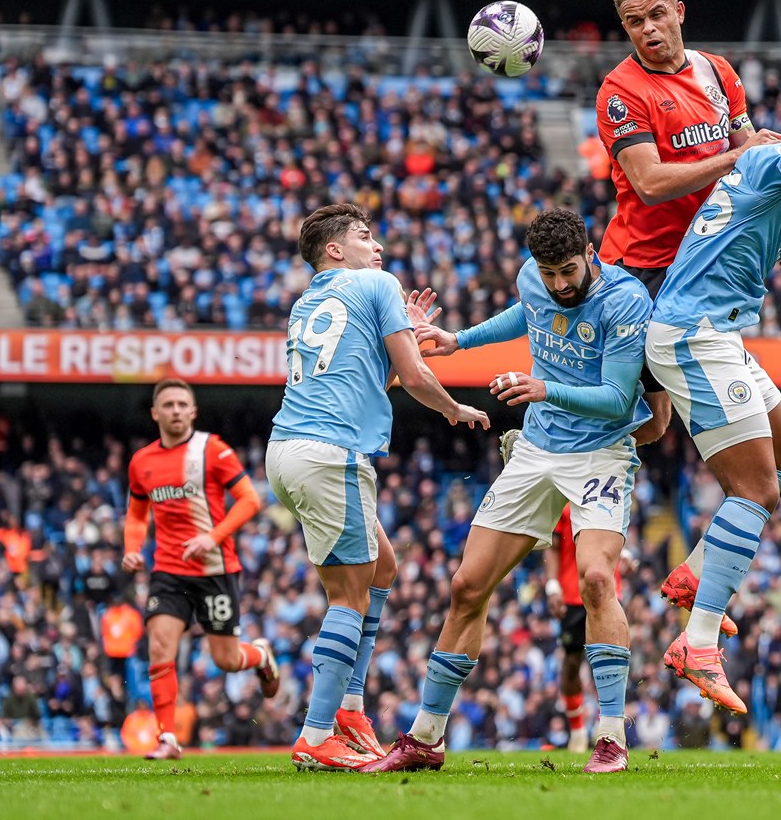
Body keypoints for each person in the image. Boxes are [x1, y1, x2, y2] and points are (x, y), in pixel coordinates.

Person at [361, 208, 650, 775]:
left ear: (590, 254)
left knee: (595, 576)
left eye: (569, 270)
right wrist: (458, 341)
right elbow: (529, 314)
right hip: (537, 451)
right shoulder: (534, 280)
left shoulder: (625, 301)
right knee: (467, 586)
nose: (560, 284)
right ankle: (426, 737)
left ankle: (611, 736)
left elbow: (619, 400)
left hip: (600, 452)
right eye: (549, 272)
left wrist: (544, 387)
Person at [598, 0, 781, 632]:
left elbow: (751, 157)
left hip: (700, 277)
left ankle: (700, 571)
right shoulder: (621, 91)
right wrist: (733, 161)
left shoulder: (720, 74)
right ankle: (540, 444)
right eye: (635, 23)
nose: (649, 30)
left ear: (679, 12)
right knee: (654, 426)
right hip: (638, 277)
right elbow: (650, 182)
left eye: (657, 15)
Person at [645, 97, 781, 712]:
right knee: (758, 492)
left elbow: (775, 209)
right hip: (697, 335)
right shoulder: (776, 158)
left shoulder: (778, 184)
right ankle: (696, 643)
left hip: (717, 334)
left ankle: (695, 570)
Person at [267, 203, 489, 771]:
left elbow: (377, 376)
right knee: (347, 597)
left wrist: (405, 336)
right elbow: (412, 376)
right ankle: (317, 737)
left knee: (382, 567)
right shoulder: (376, 283)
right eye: (366, 237)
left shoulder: (309, 300)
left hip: (288, 450)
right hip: (330, 453)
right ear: (334, 249)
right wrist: (455, 409)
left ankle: (351, 710)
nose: (379, 247)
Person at [122, 377, 278, 760]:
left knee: (225, 660)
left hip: (215, 568)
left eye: (182, 404)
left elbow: (249, 500)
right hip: (168, 571)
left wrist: (213, 536)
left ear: (193, 411)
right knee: (160, 647)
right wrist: (131, 548)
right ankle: (168, 739)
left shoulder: (213, 450)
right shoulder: (142, 461)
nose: (175, 410)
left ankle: (260, 655)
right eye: (168, 404)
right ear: (155, 412)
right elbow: (137, 513)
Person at [543, 505, 633, 753]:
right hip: (572, 594)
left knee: (608, 660)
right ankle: (578, 730)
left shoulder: (612, 494)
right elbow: (552, 544)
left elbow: (616, 539)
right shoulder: (564, 503)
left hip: (607, 593)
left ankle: (606, 726)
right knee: (572, 663)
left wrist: (625, 557)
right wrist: (552, 585)